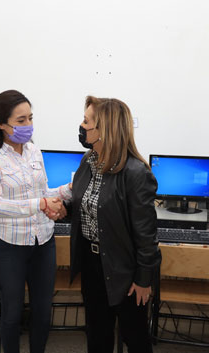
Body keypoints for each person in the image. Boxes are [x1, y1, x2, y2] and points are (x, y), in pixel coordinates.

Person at [0, 89, 70, 353]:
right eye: (21, 121)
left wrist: (69, 189)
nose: (28, 126)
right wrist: (41, 204)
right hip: (9, 246)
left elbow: (43, 192)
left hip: (43, 241)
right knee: (11, 314)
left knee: (42, 312)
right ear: (2, 124)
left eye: (30, 118)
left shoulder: (34, 151)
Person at [68, 96, 161, 353]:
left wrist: (144, 279)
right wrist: (61, 209)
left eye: (87, 121)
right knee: (97, 335)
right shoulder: (88, 162)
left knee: (136, 338)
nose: (82, 125)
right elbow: (87, 206)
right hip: (92, 262)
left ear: (104, 129)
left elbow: (146, 234)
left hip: (124, 268)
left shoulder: (135, 173)